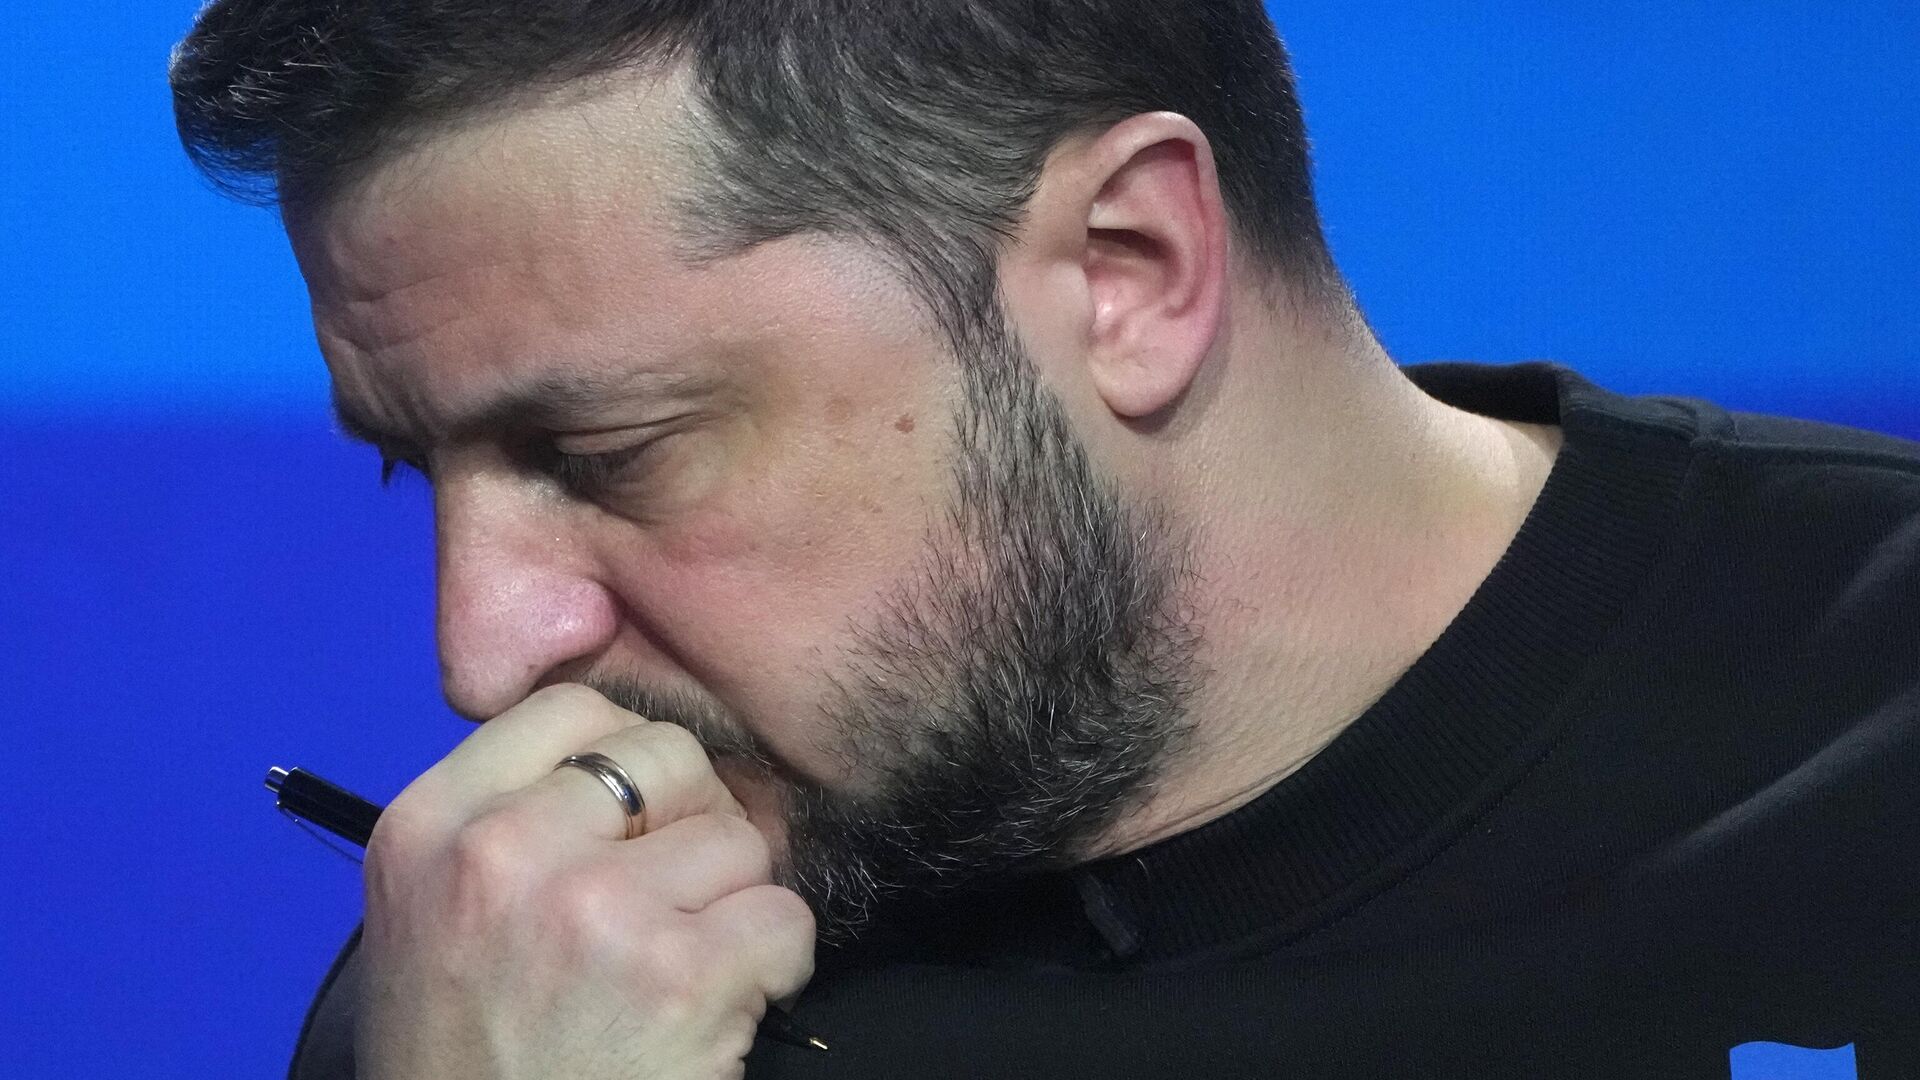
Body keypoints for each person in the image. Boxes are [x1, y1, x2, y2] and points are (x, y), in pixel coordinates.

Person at [168, 2, 1920, 1077]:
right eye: (414, 472)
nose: (480, 655)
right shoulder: (539, 996)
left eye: (605, 454)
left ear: (1128, 272)